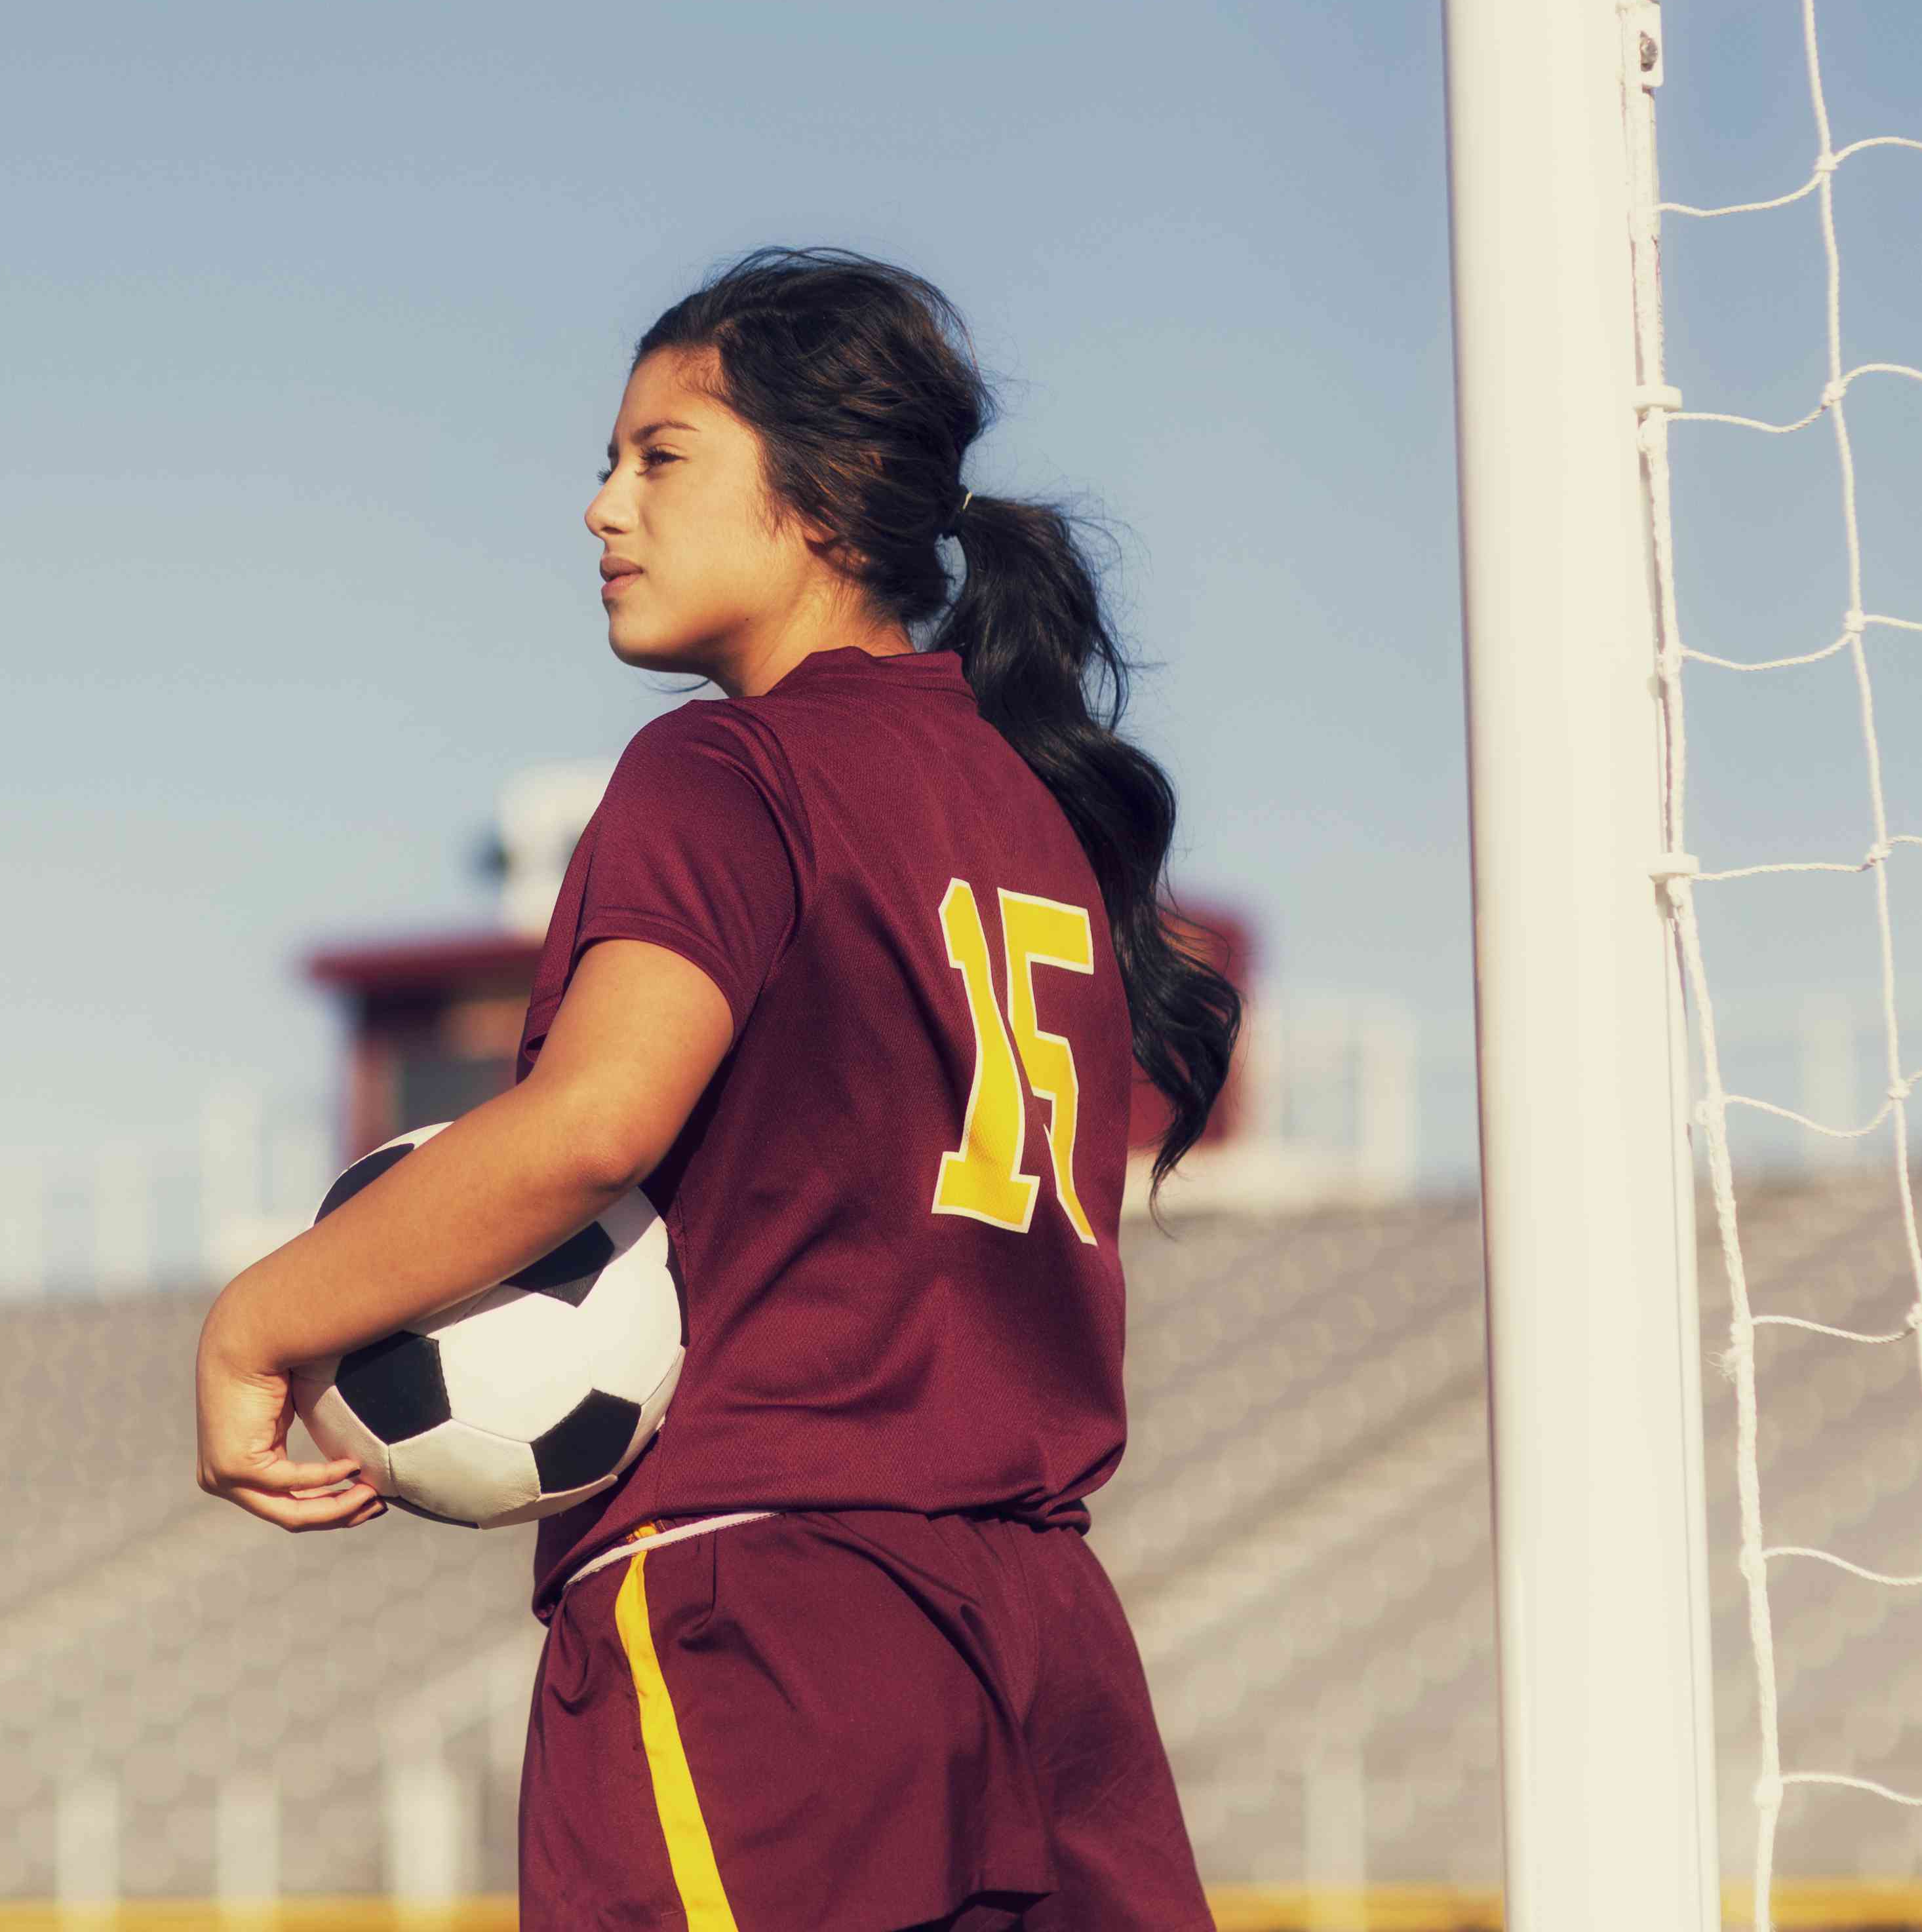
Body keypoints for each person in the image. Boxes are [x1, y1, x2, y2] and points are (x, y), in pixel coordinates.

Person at [191, 247, 1238, 1931]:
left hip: (772, 1616)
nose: (603, 508)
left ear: (826, 496)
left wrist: (256, 1323)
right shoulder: (1042, 805)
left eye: (659, 457)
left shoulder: (724, 765)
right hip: (1044, 1639)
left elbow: (597, 1123)